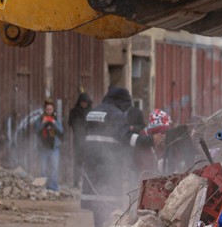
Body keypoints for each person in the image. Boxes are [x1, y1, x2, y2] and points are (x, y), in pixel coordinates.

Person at [81, 87, 153, 227]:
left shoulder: (92, 113)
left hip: (91, 164)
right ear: (121, 102)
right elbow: (127, 138)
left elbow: (81, 138)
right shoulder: (116, 115)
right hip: (108, 166)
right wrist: (150, 140)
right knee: (108, 203)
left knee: (96, 201)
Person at [33, 99, 64, 192]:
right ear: (45, 110)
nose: (49, 111)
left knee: (54, 168)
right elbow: (36, 130)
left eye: (51, 109)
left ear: (53, 110)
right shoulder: (40, 119)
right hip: (43, 147)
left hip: (54, 147)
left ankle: (53, 187)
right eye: (47, 109)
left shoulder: (56, 119)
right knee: (43, 168)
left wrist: (54, 123)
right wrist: (43, 123)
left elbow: (61, 131)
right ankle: (43, 187)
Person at [67, 92, 93, 188]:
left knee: (89, 162)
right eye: (82, 102)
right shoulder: (74, 111)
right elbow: (71, 123)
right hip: (78, 140)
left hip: (89, 140)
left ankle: (88, 182)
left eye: (86, 102)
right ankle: (76, 181)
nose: (84, 104)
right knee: (78, 162)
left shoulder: (91, 112)